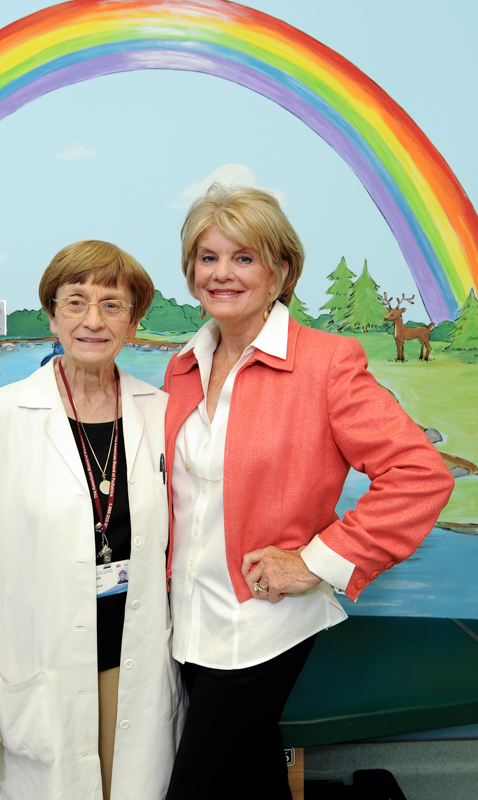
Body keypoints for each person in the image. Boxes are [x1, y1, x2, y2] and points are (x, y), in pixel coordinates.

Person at [162, 184, 455, 800]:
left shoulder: (326, 363)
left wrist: (315, 562)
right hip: (185, 620)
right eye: (207, 257)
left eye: (244, 257)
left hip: (259, 622)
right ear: (190, 270)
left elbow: (420, 476)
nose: (222, 274)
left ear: (281, 270)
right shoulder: (182, 364)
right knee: (250, 777)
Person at [0, 240, 184, 799]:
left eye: (113, 305)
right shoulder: (1, 418)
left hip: (132, 666)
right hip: (36, 672)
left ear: (135, 322)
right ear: (52, 314)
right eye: (76, 302)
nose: (93, 320)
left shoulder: (162, 413)